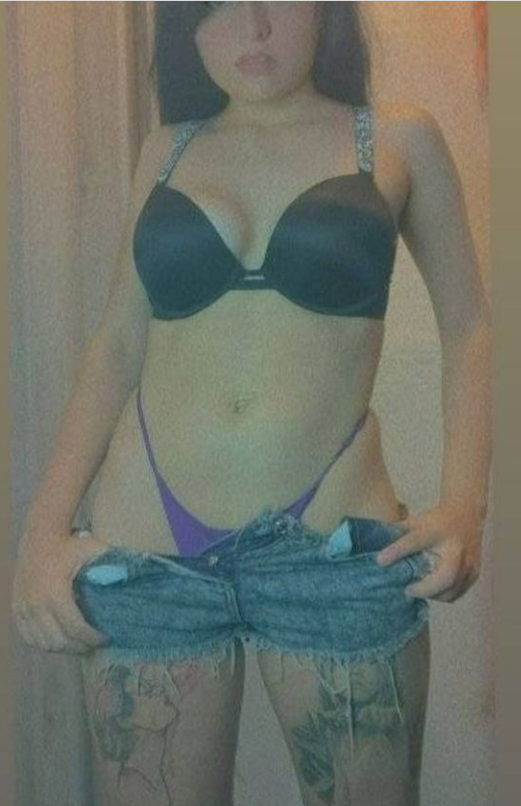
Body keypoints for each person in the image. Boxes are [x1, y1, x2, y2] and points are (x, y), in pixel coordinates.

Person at [12, 2, 492, 805]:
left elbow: (468, 323)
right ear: (186, 27)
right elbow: (117, 344)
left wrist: (464, 506)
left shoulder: (396, 138)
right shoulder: (167, 148)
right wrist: (41, 532)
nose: (254, 26)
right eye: (218, 6)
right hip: (150, 546)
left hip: (329, 546)